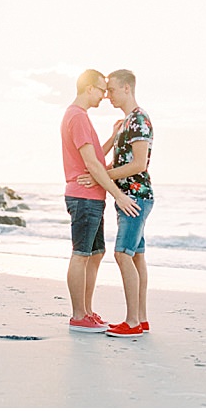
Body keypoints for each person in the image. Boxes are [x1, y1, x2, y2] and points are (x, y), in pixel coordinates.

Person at [61, 69, 140, 333]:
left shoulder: (79, 117)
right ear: (89, 88)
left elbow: (95, 156)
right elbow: (93, 165)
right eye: (101, 89)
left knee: (95, 254)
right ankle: (78, 315)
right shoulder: (78, 117)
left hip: (91, 197)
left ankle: (86, 311)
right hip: (83, 197)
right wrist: (118, 194)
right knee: (81, 254)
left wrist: (114, 137)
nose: (105, 96)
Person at [79, 69, 154, 338]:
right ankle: (141, 320)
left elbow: (138, 164)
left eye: (111, 90)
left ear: (126, 89)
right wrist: (100, 175)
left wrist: (103, 176)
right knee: (136, 257)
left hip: (135, 198)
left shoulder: (139, 120)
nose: (107, 95)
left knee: (122, 254)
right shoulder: (125, 122)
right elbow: (121, 162)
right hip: (127, 198)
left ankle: (132, 322)